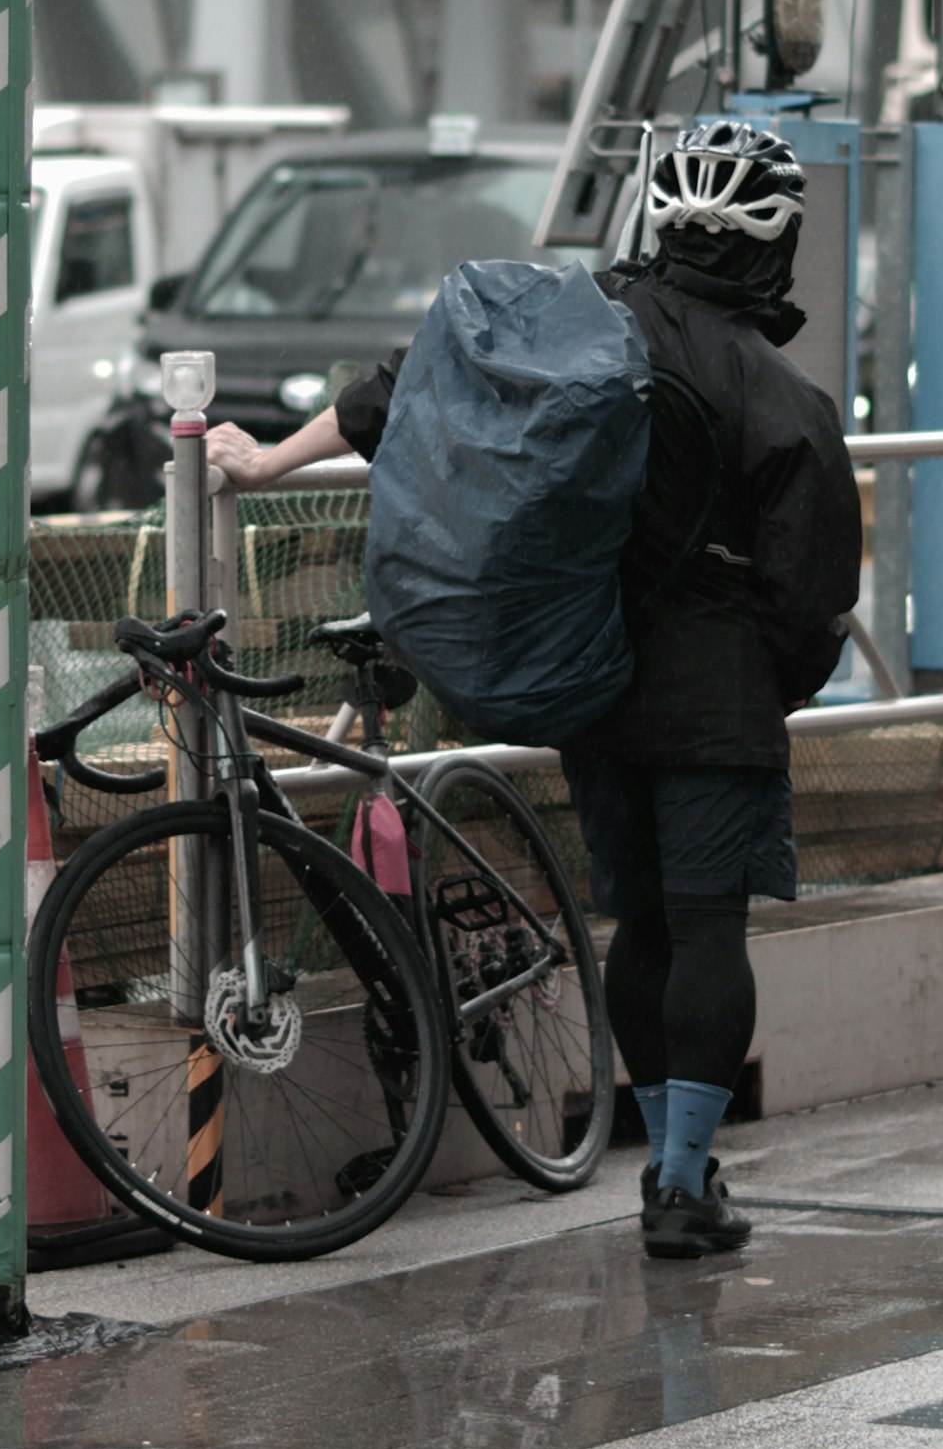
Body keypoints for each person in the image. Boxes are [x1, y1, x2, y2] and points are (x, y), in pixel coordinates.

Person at [206, 119, 863, 1259]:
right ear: (775, 243)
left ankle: (669, 1163)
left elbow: (408, 388)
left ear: (660, 217)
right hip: (718, 696)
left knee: (639, 926)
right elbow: (816, 598)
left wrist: (266, 460)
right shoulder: (781, 397)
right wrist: (768, 685)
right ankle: (679, 1179)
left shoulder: (574, 323)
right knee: (708, 931)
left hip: (590, 671)